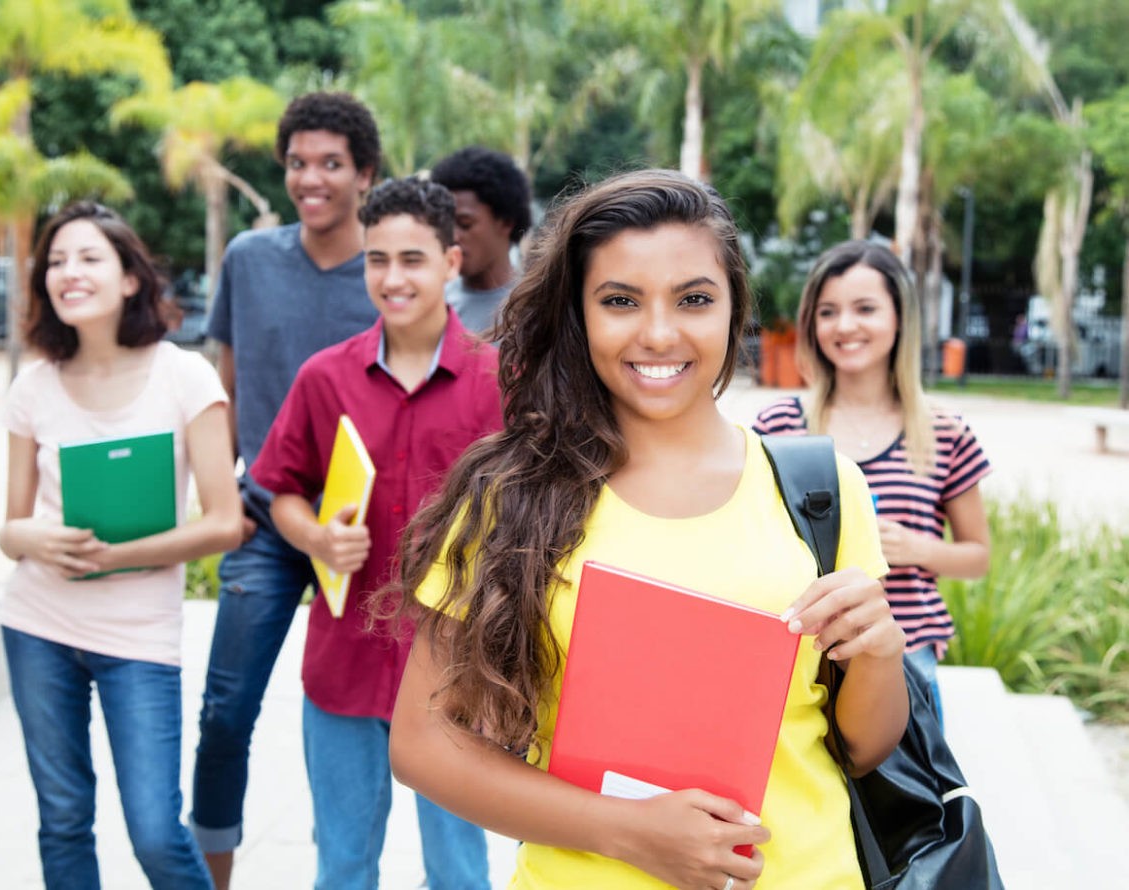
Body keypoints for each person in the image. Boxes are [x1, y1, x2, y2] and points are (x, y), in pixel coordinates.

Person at [386, 170, 908, 889]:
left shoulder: (821, 491)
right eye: (619, 301)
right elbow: (423, 743)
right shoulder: (511, 495)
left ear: (733, 310)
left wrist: (880, 654)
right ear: (579, 316)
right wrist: (626, 832)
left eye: (693, 299)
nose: (658, 333)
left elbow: (862, 747)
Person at [251, 177, 499, 889]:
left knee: (458, 872)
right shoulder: (323, 379)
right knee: (342, 866)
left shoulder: (498, 380)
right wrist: (317, 537)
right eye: (376, 259)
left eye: (412, 259)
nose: (393, 279)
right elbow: (282, 492)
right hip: (345, 664)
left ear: (451, 263)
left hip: (456, 671)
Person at [0, 201, 243, 889]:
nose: (68, 273)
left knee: (157, 834)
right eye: (55, 262)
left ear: (130, 278)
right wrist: (34, 538)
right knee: (64, 819)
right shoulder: (32, 386)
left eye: (87, 258)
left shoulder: (183, 376)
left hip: (138, 638)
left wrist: (117, 556)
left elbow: (225, 521)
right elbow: (9, 530)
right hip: (37, 625)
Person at [190, 91, 382, 888]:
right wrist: (223, 490)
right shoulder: (248, 257)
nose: (312, 178)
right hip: (267, 519)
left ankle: (339, 864)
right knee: (226, 710)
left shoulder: (388, 271)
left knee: (347, 719)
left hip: (364, 529)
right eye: (298, 163)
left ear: (364, 175)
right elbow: (222, 382)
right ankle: (212, 875)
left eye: (331, 164)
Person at [752, 239, 992, 722]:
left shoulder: (944, 432)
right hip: (802, 660)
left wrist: (915, 548)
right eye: (828, 311)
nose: (845, 326)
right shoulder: (779, 426)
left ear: (899, 318)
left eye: (865, 309)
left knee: (912, 799)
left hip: (908, 664)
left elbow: (977, 557)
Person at [430, 145, 532, 334]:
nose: (452, 236)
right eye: (443, 223)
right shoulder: (432, 306)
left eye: (465, 223)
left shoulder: (537, 310)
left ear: (506, 222)